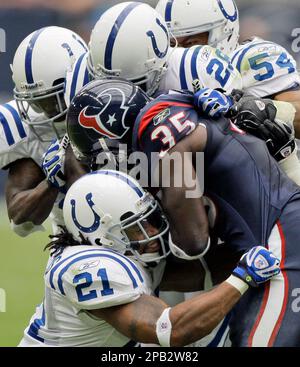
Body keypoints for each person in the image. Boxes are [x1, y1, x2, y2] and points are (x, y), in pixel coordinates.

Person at [66, 78, 300, 347]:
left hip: (280, 235)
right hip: (276, 231)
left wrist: (164, 230)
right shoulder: (172, 106)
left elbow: (194, 238)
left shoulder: (155, 132)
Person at [19, 170, 280, 347]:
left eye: (150, 221)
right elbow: (168, 329)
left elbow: (203, 272)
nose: (152, 232)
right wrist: (242, 277)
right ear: (100, 234)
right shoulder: (87, 267)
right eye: (136, 227)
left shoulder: (126, 254)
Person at [156, 0, 300, 138]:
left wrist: (245, 109)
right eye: (170, 44)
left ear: (225, 32)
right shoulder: (157, 73)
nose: (179, 53)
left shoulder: (253, 59)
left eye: (192, 43)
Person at [63, 1, 242, 108]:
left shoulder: (195, 67)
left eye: (192, 42)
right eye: (172, 43)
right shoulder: (81, 76)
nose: (123, 93)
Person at [0, 26, 87, 236]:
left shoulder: (117, 101)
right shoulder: (27, 124)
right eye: (35, 102)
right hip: (74, 241)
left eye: (49, 99)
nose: (45, 111)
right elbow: (21, 222)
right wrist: (52, 180)